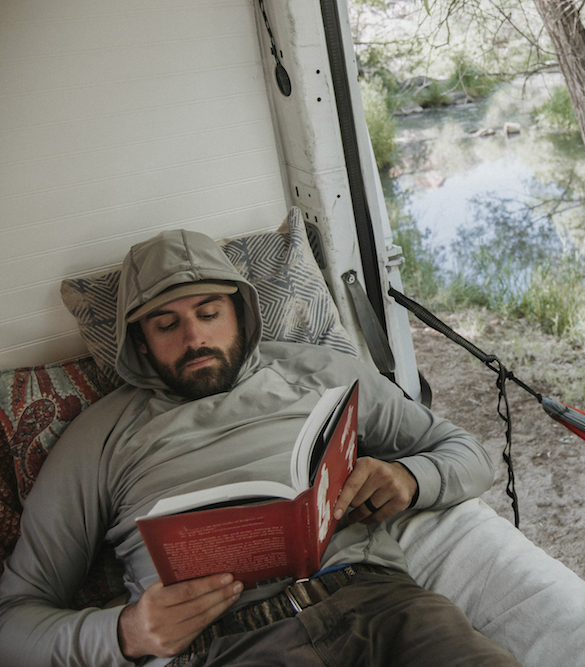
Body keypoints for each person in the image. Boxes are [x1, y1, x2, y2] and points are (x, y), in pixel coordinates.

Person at [0, 229, 522, 667]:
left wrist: (410, 479)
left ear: (241, 314)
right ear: (139, 342)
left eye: (209, 314)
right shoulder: (98, 438)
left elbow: (465, 451)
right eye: (166, 325)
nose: (194, 338)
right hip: (225, 647)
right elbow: (14, 617)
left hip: (383, 608)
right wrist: (125, 633)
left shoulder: (322, 371)